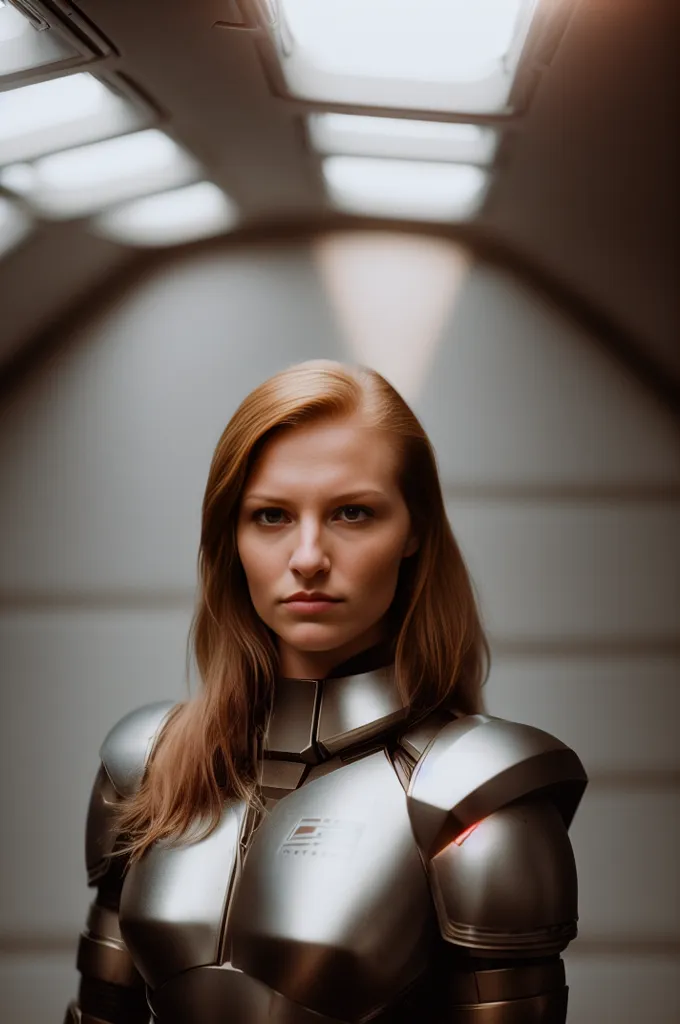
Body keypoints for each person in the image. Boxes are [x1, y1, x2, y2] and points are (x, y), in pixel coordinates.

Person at [64, 359, 587, 1024]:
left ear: (413, 531)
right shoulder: (145, 762)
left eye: (351, 512)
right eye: (272, 516)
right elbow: (98, 1013)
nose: (308, 557)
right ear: (232, 536)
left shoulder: (473, 792)